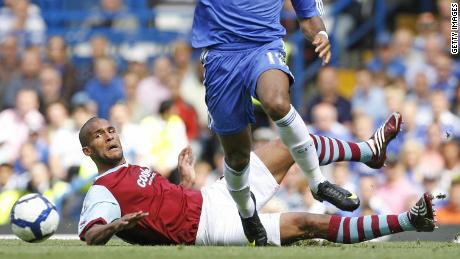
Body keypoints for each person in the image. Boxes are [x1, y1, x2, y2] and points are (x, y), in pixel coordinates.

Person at [77, 116, 435, 246]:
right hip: (209, 229)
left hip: (212, 197)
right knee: (307, 223)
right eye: (97, 135)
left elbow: (163, 212)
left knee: (287, 144)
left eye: (110, 129)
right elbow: (90, 234)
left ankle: (368, 151)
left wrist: (185, 183)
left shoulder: (135, 168)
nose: (108, 136)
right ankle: (408, 221)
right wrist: (115, 226)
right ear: (87, 150)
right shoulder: (103, 190)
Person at [191, 0, 356, 246]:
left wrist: (321, 34)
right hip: (220, 56)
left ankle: (317, 182)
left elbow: (309, 15)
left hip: (263, 46)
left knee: (277, 101)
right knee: (237, 156)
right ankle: (247, 213)